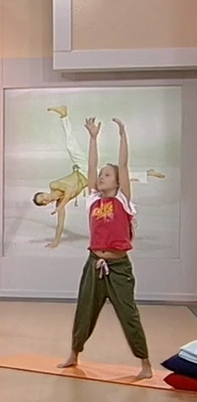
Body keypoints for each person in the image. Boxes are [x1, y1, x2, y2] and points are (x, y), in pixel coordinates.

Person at [57, 117, 153, 380]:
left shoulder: (123, 199)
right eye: (101, 175)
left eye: (107, 175)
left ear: (118, 182)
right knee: (84, 311)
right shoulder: (92, 200)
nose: (101, 177)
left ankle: (145, 363)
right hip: (94, 264)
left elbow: (123, 164)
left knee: (128, 315)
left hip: (118, 267)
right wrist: (92, 138)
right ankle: (74, 354)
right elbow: (90, 166)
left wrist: (122, 134)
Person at [33, 106, 165, 249]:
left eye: (42, 196)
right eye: (43, 201)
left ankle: (64, 116)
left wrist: (61, 206)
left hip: (81, 168)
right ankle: (147, 173)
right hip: (89, 179)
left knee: (71, 147)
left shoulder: (54, 186)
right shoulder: (60, 203)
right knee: (118, 178)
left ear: (44, 192)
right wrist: (56, 242)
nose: (45, 198)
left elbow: (69, 191)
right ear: (45, 204)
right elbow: (60, 223)